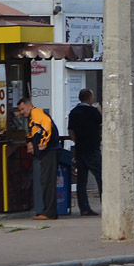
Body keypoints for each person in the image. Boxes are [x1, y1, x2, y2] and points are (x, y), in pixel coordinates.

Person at [17, 96, 59, 220]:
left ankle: (49, 212)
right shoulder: (32, 119)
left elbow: (47, 124)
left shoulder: (36, 113)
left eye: (23, 109)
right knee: (45, 180)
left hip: (49, 151)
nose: (22, 112)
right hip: (46, 152)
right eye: (21, 110)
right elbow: (32, 132)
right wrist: (29, 142)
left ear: (29, 105)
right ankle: (48, 210)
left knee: (47, 181)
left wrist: (44, 142)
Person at [67, 88, 102, 217]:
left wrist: (77, 142)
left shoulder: (73, 112)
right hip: (92, 148)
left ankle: (84, 208)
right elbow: (101, 122)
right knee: (101, 176)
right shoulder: (93, 112)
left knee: (82, 180)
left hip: (80, 149)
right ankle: (107, 204)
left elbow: (71, 131)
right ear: (89, 98)